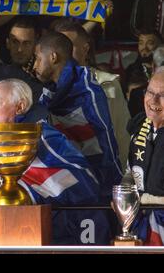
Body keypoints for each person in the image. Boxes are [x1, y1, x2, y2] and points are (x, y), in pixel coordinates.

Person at [0, 79, 109, 244]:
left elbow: (81, 178)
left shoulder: (43, 136)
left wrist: (26, 192)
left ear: (20, 107)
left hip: (43, 233)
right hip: (0, 229)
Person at [33, 31, 122, 200]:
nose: (34, 66)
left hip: (99, 188)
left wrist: (113, 188)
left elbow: (106, 140)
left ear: (52, 57)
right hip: (66, 187)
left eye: (37, 58)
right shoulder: (48, 95)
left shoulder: (87, 90)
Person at [54, 19, 131, 171]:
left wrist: (124, 177)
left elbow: (122, 133)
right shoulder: (45, 89)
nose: (63, 53)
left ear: (85, 49)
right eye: (59, 47)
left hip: (102, 172)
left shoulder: (107, 83)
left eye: (69, 47)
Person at [127, 69, 164, 245]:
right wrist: (124, 191)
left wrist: (142, 199)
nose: (154, 101)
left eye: (163, 95)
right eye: (150, 92)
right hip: (142, 225)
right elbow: (130, 172)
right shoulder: (139, 127)